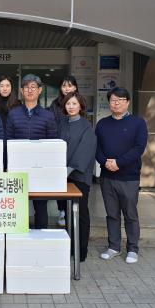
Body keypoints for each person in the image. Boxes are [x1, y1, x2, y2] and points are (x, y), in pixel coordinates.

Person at [95, 87, 148, 264]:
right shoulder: (102, 124)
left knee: (130, 214)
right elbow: (96, 148)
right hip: (107, 177)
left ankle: (132, 248)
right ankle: (114, 247)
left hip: (129, 177)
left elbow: (138, 148)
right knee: (112, 214)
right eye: (113, 100)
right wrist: (105, 162)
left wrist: (118, 163)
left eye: (120, 100)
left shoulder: (138, 123)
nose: (116, 103)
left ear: (127, 102)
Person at [6, 74, 58, 229]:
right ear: (22, 91)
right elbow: (8, 142)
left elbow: (52, 145)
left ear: (40, 90)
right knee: (18, 205)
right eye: (26, 87)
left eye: (33, 87)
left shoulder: (48, 116)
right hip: (17, 168)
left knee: (41, 206)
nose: (30, 90)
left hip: (40, 169)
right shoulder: (13, 114)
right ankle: (18, 239)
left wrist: (49, 169)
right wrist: (7, 166)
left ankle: (41, 238)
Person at [58, 92, 97, 262]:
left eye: (74, 103)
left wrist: (68, 169)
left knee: (80, 213)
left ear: (80, 106)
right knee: (68, 213)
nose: (71, 106)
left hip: (79, 176)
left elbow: (85, 151)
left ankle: (81, 250)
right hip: (63, 175)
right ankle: (70, 247)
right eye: (68, 103)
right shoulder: (62, 123)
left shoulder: (86, 126)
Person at [49, 75, 79, 226]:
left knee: (74, 182)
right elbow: (52, 124)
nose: (67, 88)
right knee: (60, 181)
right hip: (59, 146)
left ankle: (73, 212)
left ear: (75, 87)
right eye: (64, 85)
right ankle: (61, 210)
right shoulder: (55, 104)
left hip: (75, 146)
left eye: (70, 85)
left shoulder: (79, 102)